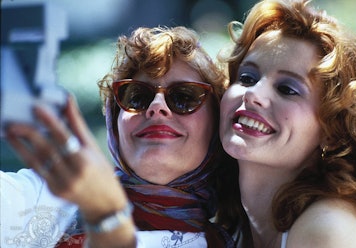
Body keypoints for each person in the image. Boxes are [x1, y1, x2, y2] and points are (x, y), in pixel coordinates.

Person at [2, 26, 238, 248]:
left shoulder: (242, 240)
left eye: (184, 97)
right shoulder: (52, 197)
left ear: (216, 123)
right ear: (114, 124)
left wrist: (106, 219)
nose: (157, 107)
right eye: (136, 96)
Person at [218, 0, 356, 247]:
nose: (253, 94)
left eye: (287, 89)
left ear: (332, 132)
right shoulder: (233, 226)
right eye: (247, 77)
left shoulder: (327, 231)